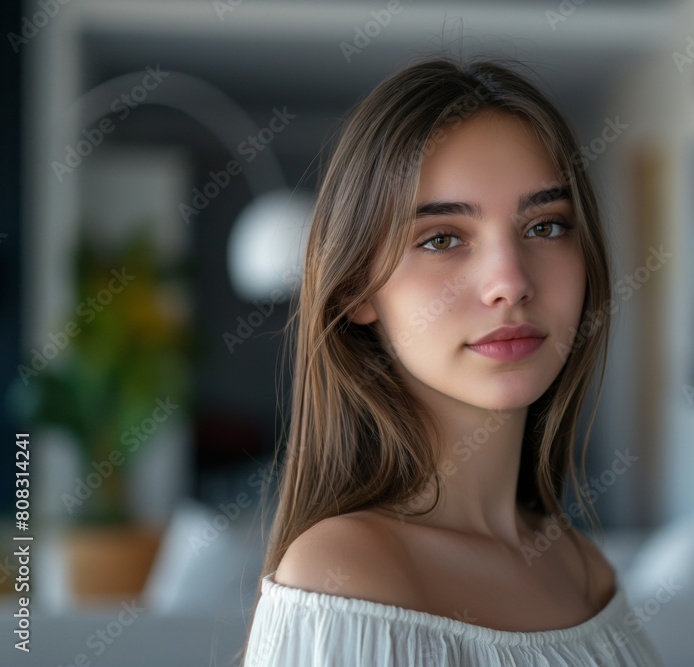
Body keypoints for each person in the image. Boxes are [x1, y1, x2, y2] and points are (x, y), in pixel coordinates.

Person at [240, 55, 663, 666]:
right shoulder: (343, 574)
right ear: (358, 290)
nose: (509, 283)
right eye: (442, 239)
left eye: (545, 227)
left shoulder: (585, 572)